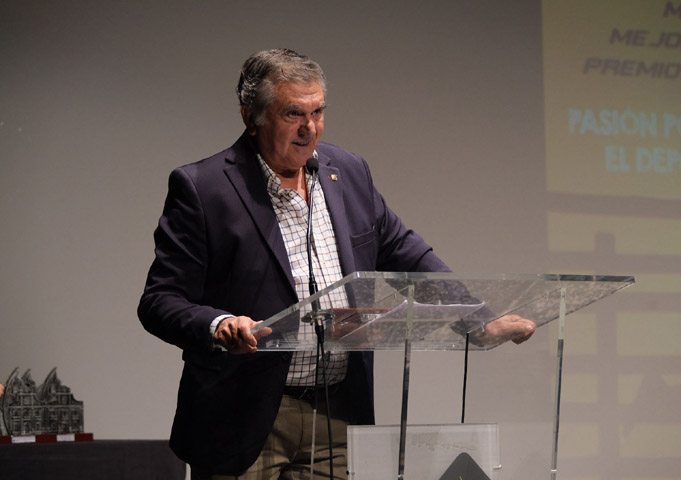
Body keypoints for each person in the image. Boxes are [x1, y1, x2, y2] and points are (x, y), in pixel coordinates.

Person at [138, 48, 535, 480]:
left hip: (337, 414)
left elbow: (408, 255)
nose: (309, 128)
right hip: (243, 414)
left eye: (318, 112)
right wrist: (219, 325)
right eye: (293, 113)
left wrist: (475, 318)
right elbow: (160, 300)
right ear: (251, 117)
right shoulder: (204, 187)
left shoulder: (348, 172)